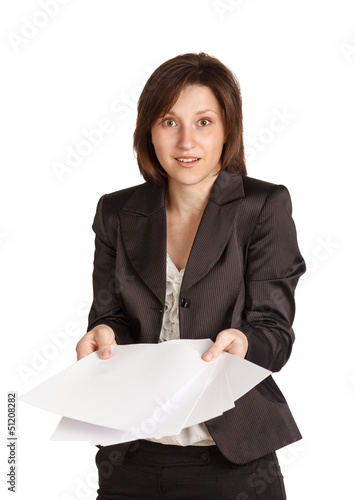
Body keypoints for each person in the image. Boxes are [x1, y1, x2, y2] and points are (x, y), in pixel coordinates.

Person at [76, 52, 306, 499]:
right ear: (149, 130)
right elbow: (112, 317)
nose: (186, 142)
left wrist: (243, 343)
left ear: (227, 130)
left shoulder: (262, 207)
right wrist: (102, 333)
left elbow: (274, 333)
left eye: (203, 122)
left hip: (232, 463)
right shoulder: (117, 212)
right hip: (131, 459)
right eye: (169, 121)